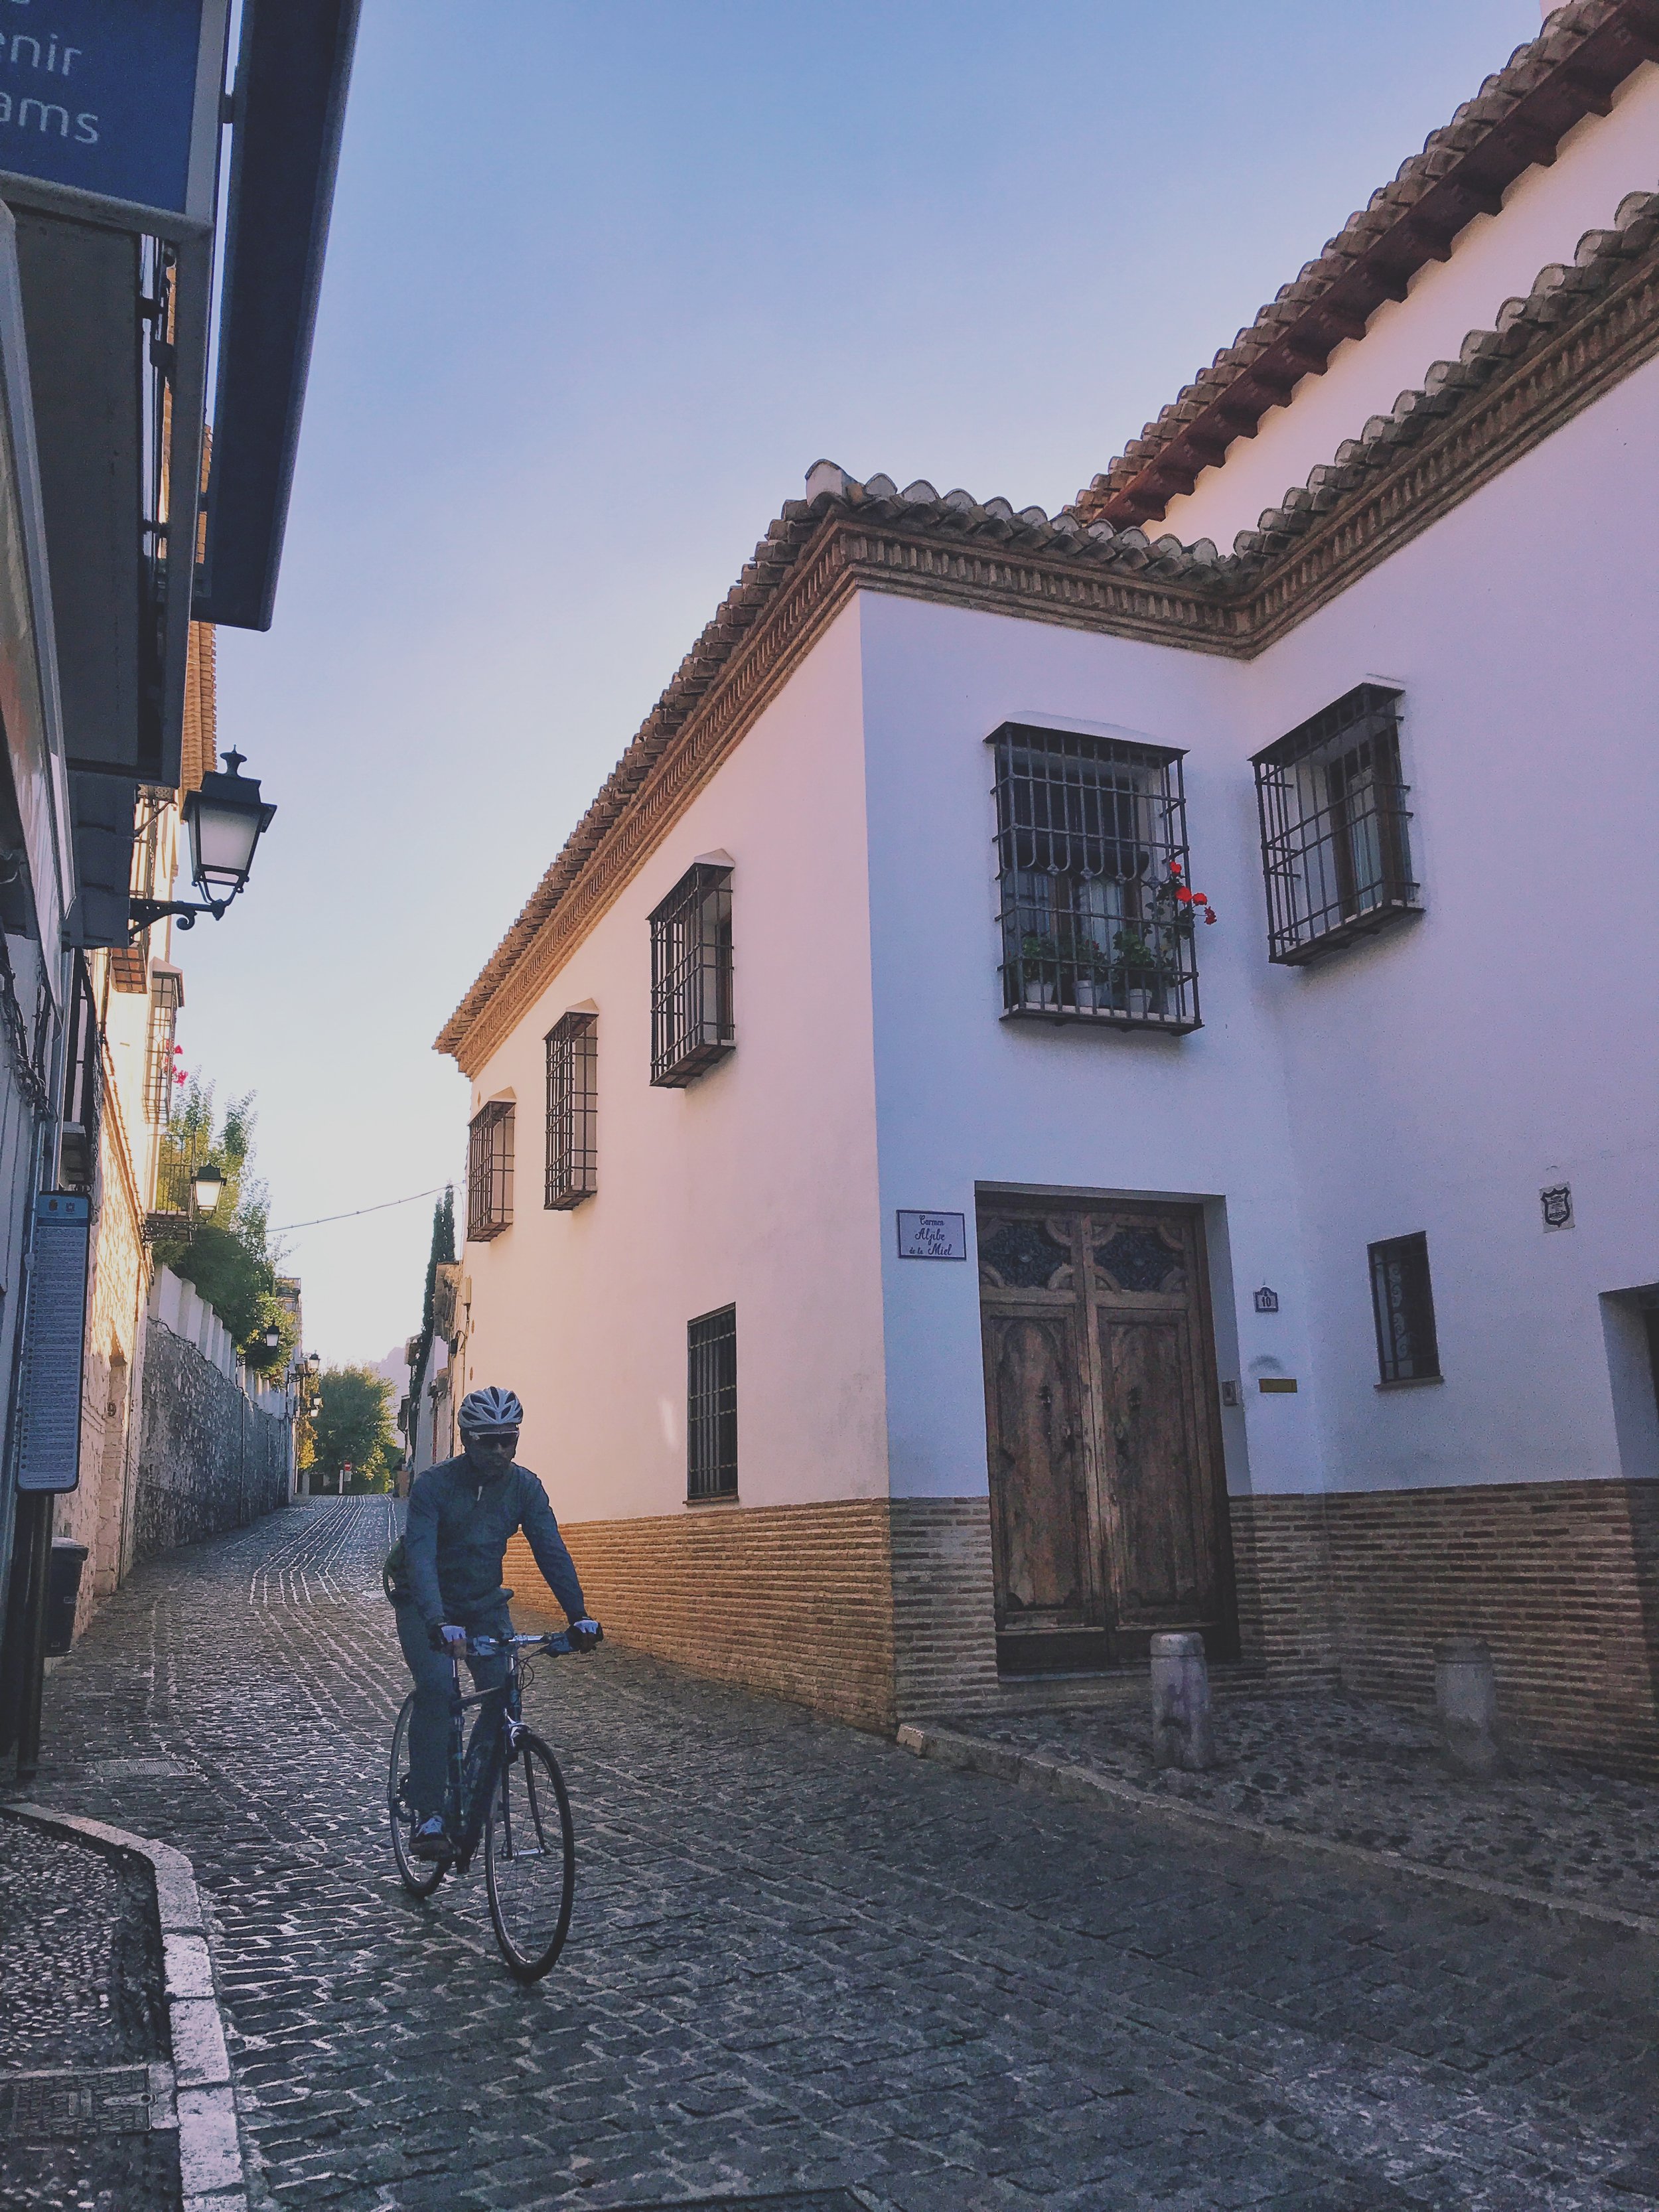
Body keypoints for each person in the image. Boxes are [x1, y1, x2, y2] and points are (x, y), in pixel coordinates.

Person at [392, 1384, 601, 1860]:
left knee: (504, 1692)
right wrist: (438, 1621)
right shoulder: (434, 1486)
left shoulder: (525, 1486)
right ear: (467, 1439)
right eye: (489, 1440)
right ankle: (429, 1812)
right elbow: (421, 1556)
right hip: (423, 1601)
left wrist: (579, 1616)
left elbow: (550, 1549)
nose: (500, 1450)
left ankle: (475, 1780)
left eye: (509, 1439)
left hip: (483, 1602)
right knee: (438, 1691)